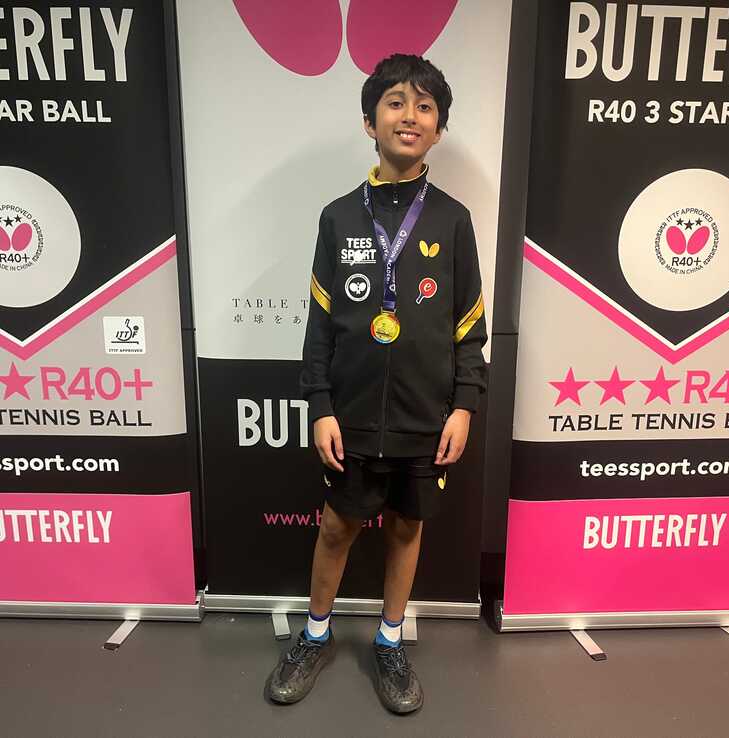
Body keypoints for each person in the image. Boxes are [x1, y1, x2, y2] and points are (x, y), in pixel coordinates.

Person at [266, 53, 487, 714]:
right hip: (353, 413)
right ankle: (315, 634)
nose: (409, 116)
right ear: (370, 122)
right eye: (395, 102)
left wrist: (464, 405)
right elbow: (320, 323)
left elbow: (469, 324)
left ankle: (390, 641)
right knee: (337, 527)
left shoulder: (453, 220)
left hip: (425, 415)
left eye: (424, 106)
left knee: (405, 529)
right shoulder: (339, 218)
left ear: (438, 129)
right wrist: (320, 404)